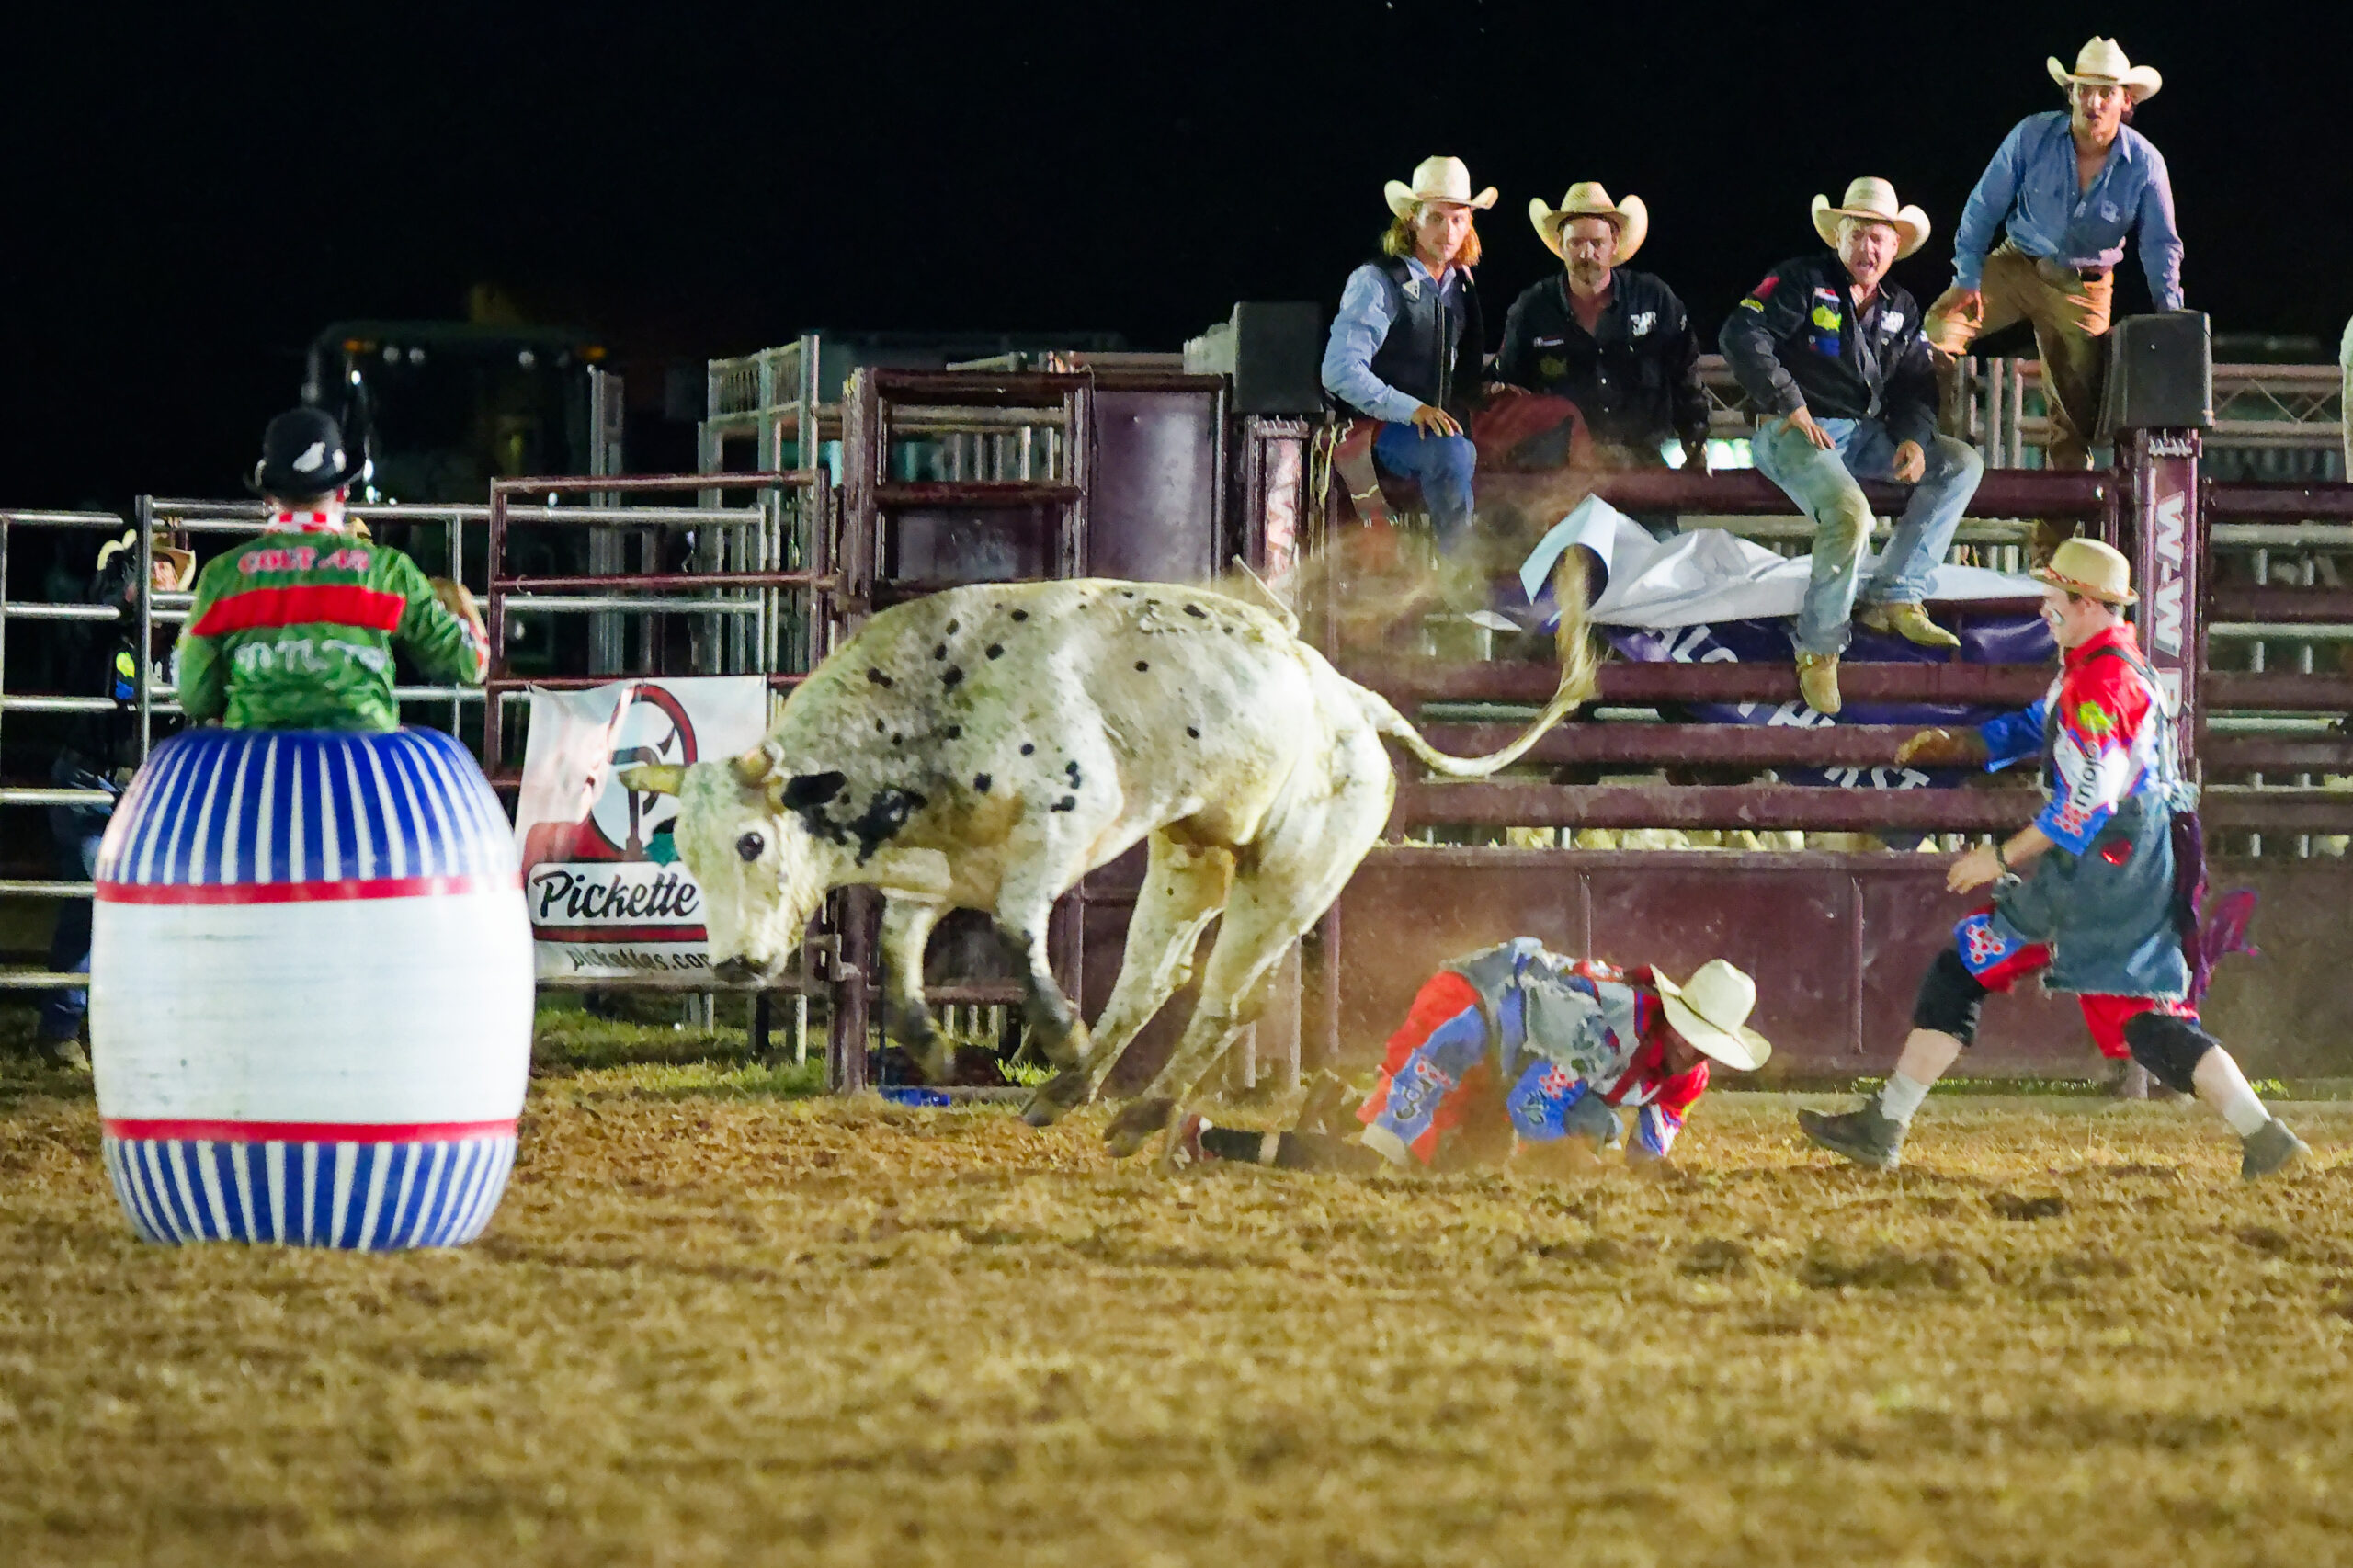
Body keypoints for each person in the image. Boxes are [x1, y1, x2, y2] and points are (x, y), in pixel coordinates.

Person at [1798, 539, 2308, 1181]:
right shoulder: (2105, 666)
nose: (2044, 608)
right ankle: (2264, 1134)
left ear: (2089, 604)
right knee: (2147, 1020)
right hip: (2133, 865)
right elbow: (2048, 722)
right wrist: (1972, 742)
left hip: (2099, 871)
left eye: (2055, 596)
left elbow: (2087, 802)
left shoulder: (2102, 680)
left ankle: (1885, 1124)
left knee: (1968, 965)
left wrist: (1999, 858)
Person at [1721, 177, 1986, 717]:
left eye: (1879, 239)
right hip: (1793, 430)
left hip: (1861, 435)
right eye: (1859, 235)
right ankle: (1818, 647)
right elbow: (1741, 333)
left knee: (1959, 463)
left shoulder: (1903, 308)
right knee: (1850, 513)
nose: (1869, 249)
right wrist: (1789, 402)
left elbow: (1915, 384)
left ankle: (1897, 591)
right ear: (1839, 238)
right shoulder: (1799, 281)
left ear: (1894, 248)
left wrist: (1914, 438)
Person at [1178, 938, 1770, 1176]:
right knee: (1380, 1164)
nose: (1691, 1048)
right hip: (1465, 1018)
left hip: (1503, 1041)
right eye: (1690, 1032)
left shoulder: (1686, 1076)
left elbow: (1650, 1153)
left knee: (1461, 1161)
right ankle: (1206, 1138)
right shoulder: (1609, 1030)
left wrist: (1624, 1154)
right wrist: (1584, 1147)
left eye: (1703, 1043)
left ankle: (1340, 1107)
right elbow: (1532, 1107)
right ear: (1673, 1013)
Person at [1927, 38, 2180, 472]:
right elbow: (1984, 204)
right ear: (2070, 94)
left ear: (2127, 100)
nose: (2093, 102)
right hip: (2015, 264)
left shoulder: (2145, 163)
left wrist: (2171, 316)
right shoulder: (2033, 134)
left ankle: (2052, 540)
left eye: (2106, 92)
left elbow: (2160, 245)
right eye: (2083, 89)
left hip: (2085, 288)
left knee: (2075, 420)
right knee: (1935, 335)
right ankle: (1943, 463)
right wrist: (1968, 275)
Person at [176, 409, 488, 732]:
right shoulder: (387, 572)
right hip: (363, 763)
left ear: (269, 497)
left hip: (260, 762)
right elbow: (469, 664)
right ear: (343, 491)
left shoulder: (223, 575)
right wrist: (459, 597)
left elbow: (194, 694)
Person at [32, 532, 193, 1068]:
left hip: (147, 788)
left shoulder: (184, 642)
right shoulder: (104, 628)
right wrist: (124, 595)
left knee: (149, 905)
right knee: (91, 897)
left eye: (170, 568)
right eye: (152, 565)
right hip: (88, 778)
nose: (161, 577)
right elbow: (83, 625)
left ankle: (126, 1024)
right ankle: (60, 1025)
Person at [1321, 155, 1495, 560]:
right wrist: (1412, 409)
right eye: (1435, 218)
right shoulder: (1377, 281)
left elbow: (1455, 366)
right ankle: (1461, 575)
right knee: (1453, 451)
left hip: (1434, 425)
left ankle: (1514, 571)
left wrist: (1492, 385)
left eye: (1457, 220)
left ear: (1469, 223)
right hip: (1372, 429)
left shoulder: (1460, 287)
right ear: (1412, 219)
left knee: (1492, 444)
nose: (1447, 232)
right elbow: (1339, 370)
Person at [1494, 183, 1709, 501]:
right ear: (1561, 245)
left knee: (1655, 547)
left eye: (1596, 242)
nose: (1586, 253)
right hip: (1559, 470)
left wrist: (1696, 441)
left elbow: (1684, 375)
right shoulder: (1532, 308)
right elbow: (1509, 385)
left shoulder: (1654, 298)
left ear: (1614, 244)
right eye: (1577, 242)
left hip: (1640, 461)